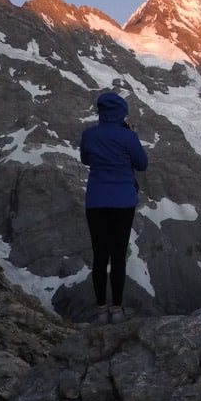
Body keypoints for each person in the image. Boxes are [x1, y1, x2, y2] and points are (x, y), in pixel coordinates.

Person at [79, 92, 148, 322]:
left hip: (96, 201)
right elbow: (142, 164)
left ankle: (100, 311)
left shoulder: (89, 135)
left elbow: (86, 160)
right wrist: (128, 136)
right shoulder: (128, 137)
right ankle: (117, 310)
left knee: (100, 256)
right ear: (121, 112)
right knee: (118, 256)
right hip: (123, 201)